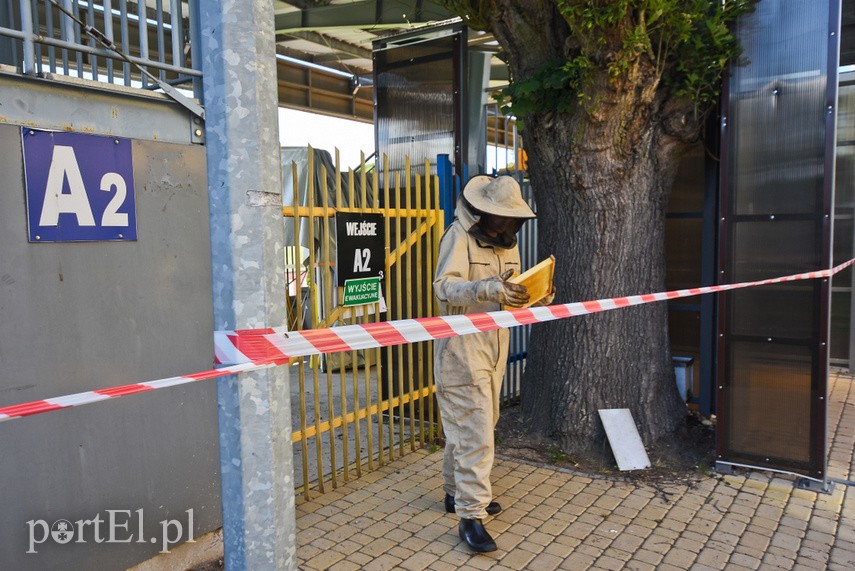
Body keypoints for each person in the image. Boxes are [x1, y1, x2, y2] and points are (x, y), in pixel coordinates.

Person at [432, 174, 554, 553]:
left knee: (473, 426)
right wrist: (487, 287)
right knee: (476, 434)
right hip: (460, 351)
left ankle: (454, 491)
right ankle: (471, 515)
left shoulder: (508, 245)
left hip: (495, 348)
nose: (509, 224)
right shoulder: (458, 236)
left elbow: (509, 295)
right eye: (504, 216)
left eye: (513, 217)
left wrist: (534, 296)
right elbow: (444, 288)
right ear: (484, 212)